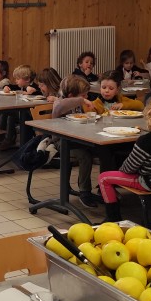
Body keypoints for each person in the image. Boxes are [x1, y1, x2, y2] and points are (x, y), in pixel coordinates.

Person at [99, 96, 151, 193]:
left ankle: (112, 203)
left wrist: (119, 169)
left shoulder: (145, 141)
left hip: (150, 183)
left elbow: (127, 169)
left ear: (147, 114)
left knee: (103, 178)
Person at [52, 76, 99, 206]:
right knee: (85, 156)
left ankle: (103, 190)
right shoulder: (59, 103)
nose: (86, 97)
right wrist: (82, 100)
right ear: (71, 96)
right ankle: (85, 192)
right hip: (61, 142)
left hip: (77, 139)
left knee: (102, 151)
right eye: (83, 95)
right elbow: (61, 106)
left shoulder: (77, 104)